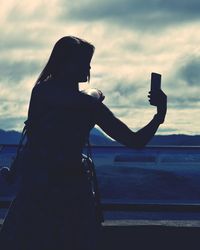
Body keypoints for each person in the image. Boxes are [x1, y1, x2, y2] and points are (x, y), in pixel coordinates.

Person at [0, 36, 167, 250]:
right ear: (65, 62)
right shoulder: (84, 103)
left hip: (40, 190)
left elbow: (133, 140)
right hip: (70, 194)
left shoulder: (43, 92)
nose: (88, 67)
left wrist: (158, 117)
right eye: (83, 61)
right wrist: (158, 116)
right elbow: (135, 141)